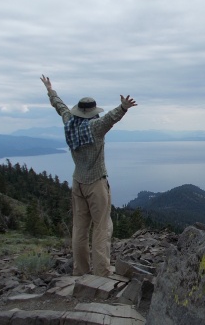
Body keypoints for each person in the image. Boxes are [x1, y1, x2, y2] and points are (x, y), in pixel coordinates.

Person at [40, 75, 137, 277]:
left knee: (79, 228)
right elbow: (111, 118)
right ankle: (101, 271)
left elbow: (60, 107)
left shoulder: (70, 123)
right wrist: (124, 107)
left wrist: (50, 90)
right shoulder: (95, 127)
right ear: (92, 112)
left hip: (78, 183)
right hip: (96, 183)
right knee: (101, 227)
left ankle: (81, 270)